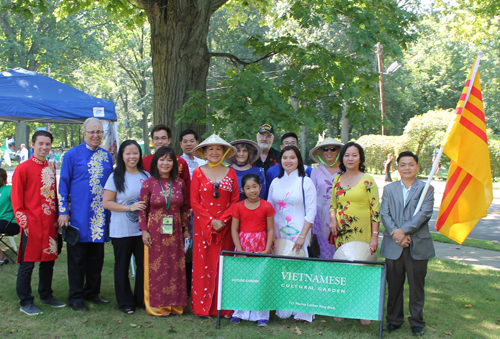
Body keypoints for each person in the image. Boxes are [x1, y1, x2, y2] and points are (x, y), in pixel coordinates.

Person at [58, 117, 114, 311]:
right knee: (77, 259)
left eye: (99, 132)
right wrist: (63, 212)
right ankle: (75, 297)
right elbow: (63, 186)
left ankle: (92, 292)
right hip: (78, 217)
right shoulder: (72, 155)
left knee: (96, 258)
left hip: (100, 217)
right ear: (84, 133)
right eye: (92, 132)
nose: (96, 136)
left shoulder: (107, 157)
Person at [11, 131, 66, 315]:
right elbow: (17, 200)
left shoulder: (51, 167)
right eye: (40, 143)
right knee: (27, 263)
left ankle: (46, 294)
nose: (44, 147)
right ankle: (25, 301)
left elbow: (54, 197)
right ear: (33, 144)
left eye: (48, 144)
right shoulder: (22, 168)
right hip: (31, 224)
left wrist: (58, 218)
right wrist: (23, 223)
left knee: (48, 261)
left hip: (49, 223)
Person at [380, 151, 435, 336]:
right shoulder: (389, 189)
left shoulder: (426, 188)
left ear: (417, 167)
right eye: (403, 165)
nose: (407, 168)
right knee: (394, 285)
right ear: (397, 168)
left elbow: (424, 214)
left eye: (411, 164)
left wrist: (404, 231)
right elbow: (384, 214)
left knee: (416, 286)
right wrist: (397, 235)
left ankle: (417, 321)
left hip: (417, 244)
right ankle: (394, 320)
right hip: (393, 244)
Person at [329, 142, 380, 325]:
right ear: (342, 158)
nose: (350, 158)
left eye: (354, 155)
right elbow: (333, 204)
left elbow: (375, 211)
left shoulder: (368, 180)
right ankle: (342, 306)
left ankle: (364, 309)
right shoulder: (337, 179)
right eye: (347, 155)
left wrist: (374, 236)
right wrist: (333, 219)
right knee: (343, 269)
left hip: (363, 233)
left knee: (363, 270)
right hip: (342, 233)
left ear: (360, 158)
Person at [190, 134, 239, 319]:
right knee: (203, 266)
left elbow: (235, 201)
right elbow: (194, 202)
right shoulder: (197, 172)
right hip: (204, 228)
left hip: (226, 228)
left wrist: (223, 221)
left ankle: (224, 308)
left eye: (218, 148)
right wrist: (211, 221)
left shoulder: (232, 172)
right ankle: (202, 308)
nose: (214, 152)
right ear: (203, 152)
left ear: (225, 151)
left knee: (224, 265)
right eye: (210, 149)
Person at [139, 146, 191, 317]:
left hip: (175, 231)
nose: (165, 163)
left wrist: (185, 229)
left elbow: (183, 207)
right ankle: (157, 305)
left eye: (169, 160)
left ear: (174, 163)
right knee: (157, 268)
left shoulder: (179, 183)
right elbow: (142, 209)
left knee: (175, 267)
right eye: (162, 159)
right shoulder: (149, 183)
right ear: (156, 162)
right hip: (155, 231)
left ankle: (175, 305)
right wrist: (144, 231)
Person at [268, 145, 317, 322]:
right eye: (285, 158)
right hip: (279, 233)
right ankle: (283, 305)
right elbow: (269, 209)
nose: (288, 161)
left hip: (299, 231)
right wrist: (271, 234)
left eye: (292, 157)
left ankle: (302, 309)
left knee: (300, 268)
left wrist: (303, 235)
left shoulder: (305, 181)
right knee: (282, 267)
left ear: (298, 160)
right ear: (280, 160)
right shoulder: (275, 182)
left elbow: (311, 211)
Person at [102, 140, 149, 314]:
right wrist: (129, 207)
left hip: (142, 231)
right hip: (121, 231)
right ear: (122, 156)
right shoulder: (115, 177)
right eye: (128, 153)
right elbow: (106, 203)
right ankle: (125, 302)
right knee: (121, 266)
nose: (132, 157)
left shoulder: (146, 175)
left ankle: (140, 299)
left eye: (135, 153)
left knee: (144, 265)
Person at [230, 173, 275, 326]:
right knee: (242, 279)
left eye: (255, 187)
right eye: (248, 188)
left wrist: (267, 248)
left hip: (261, 247)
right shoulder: (238, 206)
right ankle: (239, 312)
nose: (252, 191)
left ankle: (261, 314)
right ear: (243, 190)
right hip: (243, 248)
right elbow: (234, 230)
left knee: (261, 280)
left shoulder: (267, 206)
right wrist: (239, 250)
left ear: (260, 187)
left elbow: (270, 229)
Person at [309, 137, 344, 259]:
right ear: (322, 152)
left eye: (333, 149)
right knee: (323, 249)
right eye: (325, 149)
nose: (329, 152)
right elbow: (311, 197)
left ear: (338, 151)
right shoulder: (316, 171)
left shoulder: (345, 170)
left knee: (342, 250)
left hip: (342, 215)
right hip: (321, 218)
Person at [142, 125, 190, 204]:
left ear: (169, 140)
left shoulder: (181, 162)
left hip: (175, 208)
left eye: (163, 138)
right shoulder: (144, 162)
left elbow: (187, 190)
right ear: (153, 141)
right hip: (151, 208)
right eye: (156, 138)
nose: (160, 141)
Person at [265, 132, 313, 198]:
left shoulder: (308, 170)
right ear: (281, 147)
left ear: (298, 147)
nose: (289, 145)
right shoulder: (271, 171)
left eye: (293, 143)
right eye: (286, 143)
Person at [0, 168, 20, 265]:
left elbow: (20, 204)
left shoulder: (9, 189)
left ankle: (1, 257)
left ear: (4, 178)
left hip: (10, 222)